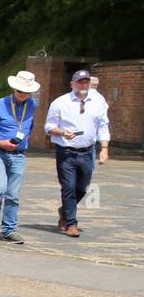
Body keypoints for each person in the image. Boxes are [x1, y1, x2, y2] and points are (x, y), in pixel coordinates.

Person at [44, 69, 110, 238]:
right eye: (80, 82)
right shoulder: (60, 102)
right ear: (72, 84)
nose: (83, 85)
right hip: (66, 152)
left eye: (86, 82)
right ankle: (71, 223)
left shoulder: (97, 102)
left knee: (82, 187)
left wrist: (104, 148)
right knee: (68, 188)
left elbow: (103, 126)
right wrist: (62, 132)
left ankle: (64, 211)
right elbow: (48, 127)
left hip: (88, 152)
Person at [0, 70, 41, 246]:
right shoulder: (0, 104)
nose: (23, 95)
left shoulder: (32, 105)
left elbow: (30, 125)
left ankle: (9, 230)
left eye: (27, 92)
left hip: (18, 155)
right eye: (21, 91)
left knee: (13, 194)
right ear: (14, 89)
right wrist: (0, 142)